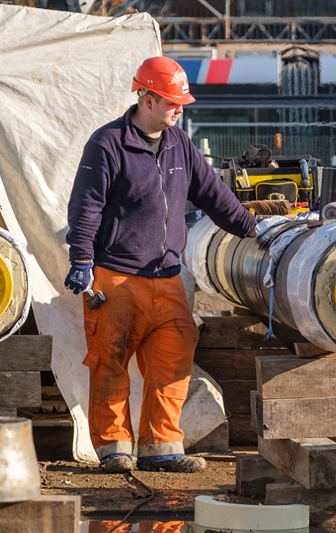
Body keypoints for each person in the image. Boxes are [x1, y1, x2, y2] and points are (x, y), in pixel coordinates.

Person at [64, 56, 257, 474]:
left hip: (167, 277)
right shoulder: (108, 143)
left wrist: (254, 230)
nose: (179, 108)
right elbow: (86, 207)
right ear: (147, 98)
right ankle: (114, 448)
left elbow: (213, 194)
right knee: (110, 361)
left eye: (181, 101)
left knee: (172, 362)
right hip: (115, 277)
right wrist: (81, 257)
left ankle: (162, 447)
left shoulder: (179, 144)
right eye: (172, 101)